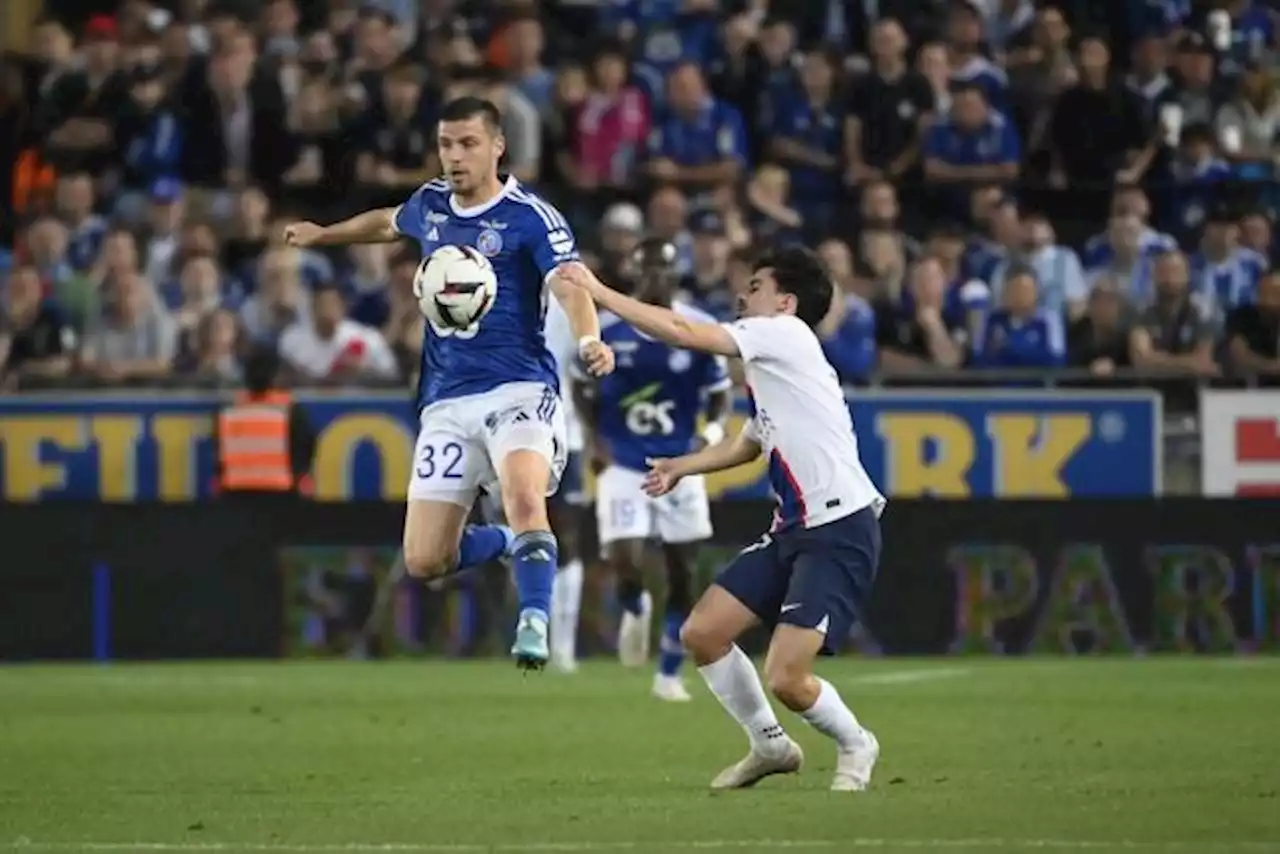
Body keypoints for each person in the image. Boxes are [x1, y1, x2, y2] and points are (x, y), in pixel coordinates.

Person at [283, 96, 615, 670]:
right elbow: (387, 223)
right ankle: (516, 547)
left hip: (519, 389)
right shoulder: (431, 203)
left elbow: (569, 285)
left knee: (523, 497)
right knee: (425, 559)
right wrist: (324, 235)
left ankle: (534, 618)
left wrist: (588, 340)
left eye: (467, 144)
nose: (454, 156)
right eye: (445, 144)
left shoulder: (530, 217)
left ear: (497, 147)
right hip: (447, 400)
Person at [559, 247, 885, 791]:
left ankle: (856, 742)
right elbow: (750, 443)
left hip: (838, 528)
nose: (742, 294)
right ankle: (769, 745)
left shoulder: (786, 333)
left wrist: (601, 293)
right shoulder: (774, 365)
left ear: (785, 301)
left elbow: (685, 331)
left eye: (755, 285)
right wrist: (684, 466)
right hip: (794, 529)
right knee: (704, 632)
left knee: (786, 677)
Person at [573, 237, 732, 702]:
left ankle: (667, 671)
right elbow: (581, 385)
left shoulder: (699, 327)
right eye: (646, 271)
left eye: (662, 270)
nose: (654, 279)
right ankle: (634, 603)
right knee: (625, 557)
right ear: (635, 274)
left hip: (681, 461)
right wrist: (594, 438)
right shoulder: (607, 327)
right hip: (624, 461)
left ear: (675, 274)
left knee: (684, 571)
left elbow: (720, 392)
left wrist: (714, 436)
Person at [213, 345, 316, 496]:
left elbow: (219, 455)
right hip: (280, 494)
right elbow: (305, 450)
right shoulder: (290, 410)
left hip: (235, 492)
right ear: (274, 375)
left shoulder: (228, 410)